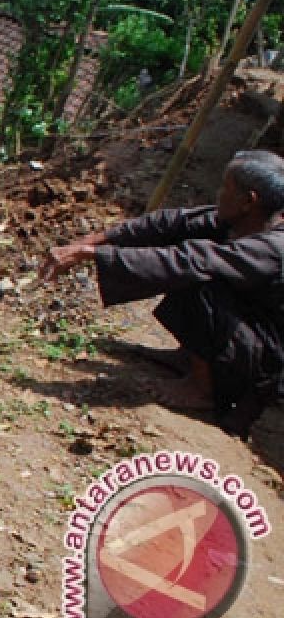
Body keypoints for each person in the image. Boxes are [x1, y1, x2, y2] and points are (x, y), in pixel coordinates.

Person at [39, 149, 284, 437]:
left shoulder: (274, 248)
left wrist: (96, 256)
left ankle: (203, 389)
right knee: (196, 259)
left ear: (248, 201)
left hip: (265, 362)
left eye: (225, 188)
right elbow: (174, 223)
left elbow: (191, 261)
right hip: (247, 335)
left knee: (198, 278)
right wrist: (93, 242)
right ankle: (192, 360)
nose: (218, 194)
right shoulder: (248, 219)